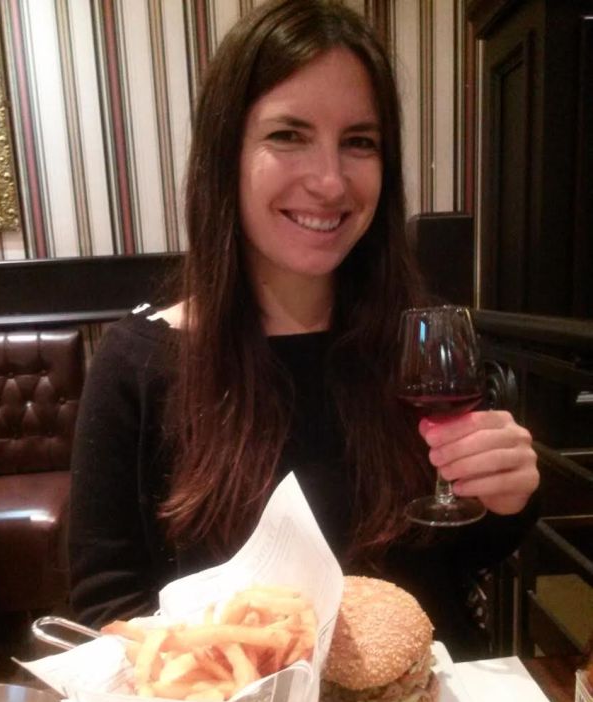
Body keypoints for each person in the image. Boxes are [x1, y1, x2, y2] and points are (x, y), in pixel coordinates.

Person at [68, 0, 539, 658]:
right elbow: (106, 610)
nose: (329, 180)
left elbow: (456, 562)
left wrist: (505, 499)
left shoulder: (415, 349)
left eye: (359, 142)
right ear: (225, 154)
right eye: (288, 135)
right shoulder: (137, 363)